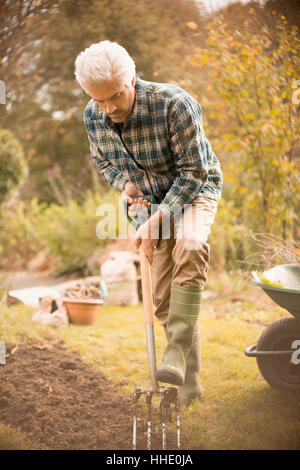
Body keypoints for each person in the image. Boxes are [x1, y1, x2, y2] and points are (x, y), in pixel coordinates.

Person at [75, 40, 223, 404]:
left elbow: (194, 171)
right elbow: (104, 162)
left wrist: (160, 219)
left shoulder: (175, 104)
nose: (108, 108)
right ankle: (191, 379)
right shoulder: (94, 115)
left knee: (190, 243)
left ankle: (178, 363)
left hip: (194, 189)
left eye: (114, 97)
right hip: (148, 202)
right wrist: (124, 184)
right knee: (162, 299)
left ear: (132, 79)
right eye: (99, 101)